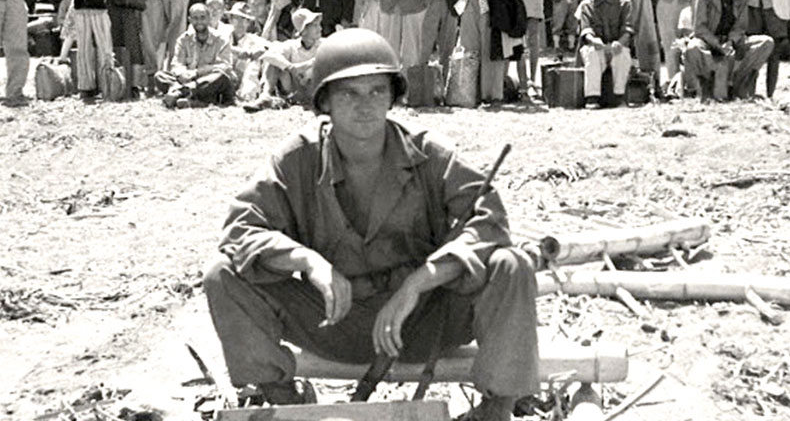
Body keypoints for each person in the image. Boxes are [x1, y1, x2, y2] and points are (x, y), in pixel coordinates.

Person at [202, 27, 538, 421]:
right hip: (333, 321)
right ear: (324, 100)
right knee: (222, 273)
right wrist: (310, 263)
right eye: (348, 93)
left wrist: (420, 282)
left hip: (424, 319)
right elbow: (240, 230)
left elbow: (490, 222)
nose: (365, 105)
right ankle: (283, 398)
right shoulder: (297, 158)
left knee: (511, 265)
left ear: (394, 96)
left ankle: (497, 407)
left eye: (377, 91)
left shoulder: (430, 152)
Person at [683, 0, 774, 101]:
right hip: (707, 40)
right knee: (693, 48)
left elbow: (740, 27)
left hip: (730, 42)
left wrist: (731, 42)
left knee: (765, 42)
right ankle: (705, 86)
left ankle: (740, 84)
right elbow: (699, 28)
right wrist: (718, 45)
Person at [577, 0, 634, 107]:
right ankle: (592, 97)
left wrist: (620, 43)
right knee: (592, 53)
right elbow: (585, 29)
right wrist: (593, 40)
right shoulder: (586, 5)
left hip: (616, 45)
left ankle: (619, 96)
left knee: (623, 56)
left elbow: (628, 29)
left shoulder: (624, 3)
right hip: (596, 47)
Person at [244, 8, 323, 112]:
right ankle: (265, 96)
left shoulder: (325, 45)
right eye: (315, 26)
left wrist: (306, 65)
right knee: (274, 62)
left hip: (315, 90)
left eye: (318, 25)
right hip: (294, 89)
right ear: (304, 31)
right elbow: (269, 55)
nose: (320, 29)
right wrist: (290, 67)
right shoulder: (291, 45)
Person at [158, 3, 236, 108]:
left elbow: (224, 66)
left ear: (209, 18)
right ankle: (195, 100)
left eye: (202, 17)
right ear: (190, 20)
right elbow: (176, 64)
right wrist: (183, 74)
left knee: (221, 77)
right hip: (189, 80)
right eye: (195, 18)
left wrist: (196, 73)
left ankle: (180, 93)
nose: (199, 21)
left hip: (210, 82)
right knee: (160, 76)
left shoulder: (221, 39)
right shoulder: (183, 40)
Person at [220, 2, 271, 101]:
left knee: (254, 62)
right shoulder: (223, 35)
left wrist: (261, 51)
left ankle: (248, 95)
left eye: (245, 19)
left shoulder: (253, 39)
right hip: (223, 75)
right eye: (237, 18)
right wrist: (239, 52)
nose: (241, 23)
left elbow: (272, 46)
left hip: (242, 78)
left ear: (248, 23)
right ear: (230, 20)